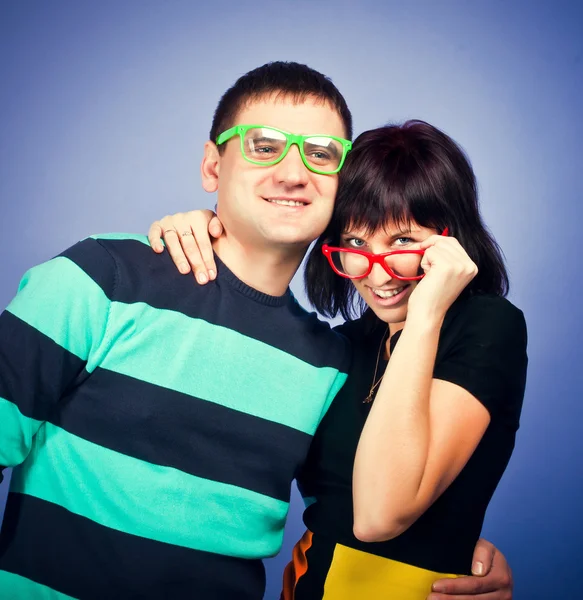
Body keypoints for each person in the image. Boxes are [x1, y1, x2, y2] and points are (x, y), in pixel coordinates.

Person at [0, 61, 512, 600]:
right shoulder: (101, 278)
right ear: (211, 166)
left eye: (320, 153)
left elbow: (358, 510)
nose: (294, 173)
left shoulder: (332, 362)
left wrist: (468, 559)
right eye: (263, 145)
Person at [147, 121, 526, 599]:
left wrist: (426, 313)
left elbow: (378, 517)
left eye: (404, 241)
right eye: (356, 245)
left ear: (451, 239)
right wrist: (211, 229)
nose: (374, 271)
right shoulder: (341, 346)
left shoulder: (487, 325)